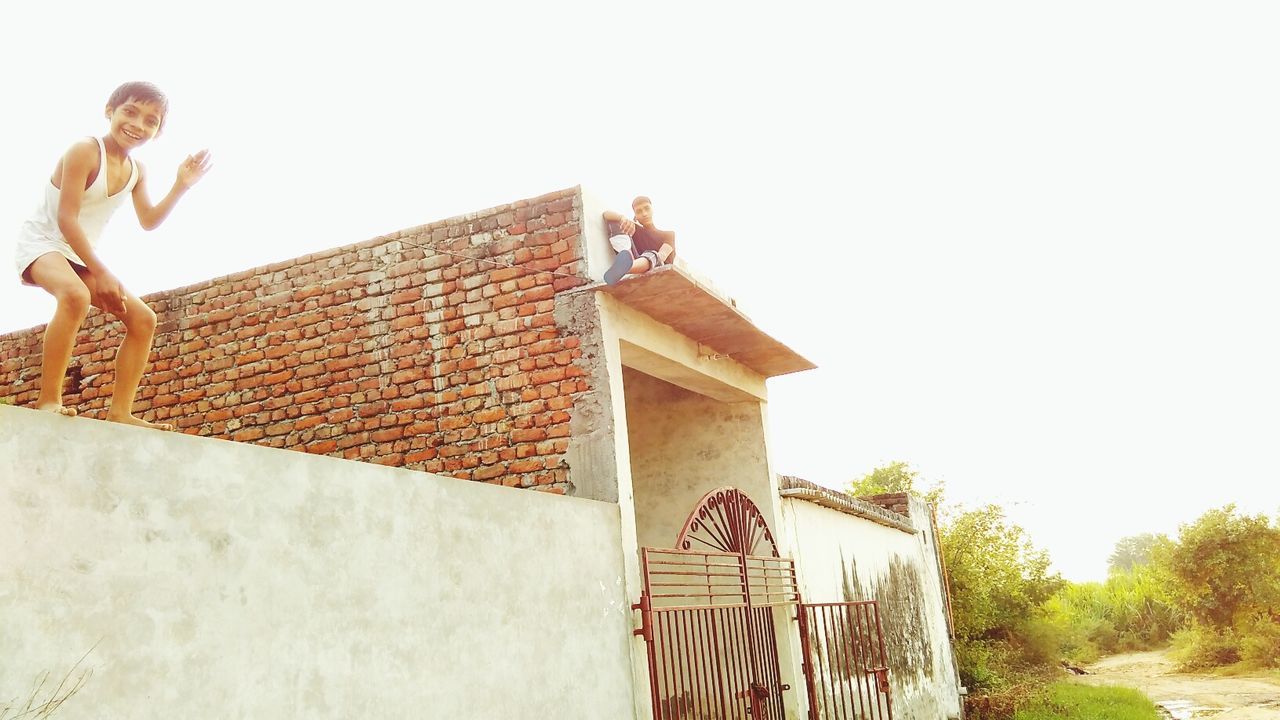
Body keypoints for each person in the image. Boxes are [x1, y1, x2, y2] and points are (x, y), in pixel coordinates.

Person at [13, 81, 212, 429]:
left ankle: (120, 413)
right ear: (110, 111)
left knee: (143, 320)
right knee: (74, 295)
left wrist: (181, 185)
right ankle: (48, 401)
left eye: (151, 121)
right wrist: (101, 272)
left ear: (158, 131)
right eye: (130, 112)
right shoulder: (84, 151)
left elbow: (149, 221)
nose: (138, 124)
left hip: (77, 255)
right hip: (43, 244)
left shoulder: (137, 171)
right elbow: (66, 218)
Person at [602, 196, 675, 285]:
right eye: (639, 211)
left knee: (655, 255)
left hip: (659, 271)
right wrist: (622, 218)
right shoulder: (634, 229)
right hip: (638, 267)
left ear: (652, 210)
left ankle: (626, 268)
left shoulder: (669, 234)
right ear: (635, 216)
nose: (644, 214)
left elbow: (662, 255)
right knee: (617, 222)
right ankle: (625, 265)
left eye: (647, 208)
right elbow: (606, 214)